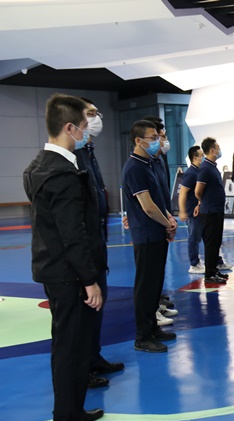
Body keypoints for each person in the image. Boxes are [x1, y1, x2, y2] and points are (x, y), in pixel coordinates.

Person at [24, 93, 113, 421]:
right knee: (70, 350)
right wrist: (89, 280)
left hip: (56, 269)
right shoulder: (62, 173)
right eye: (84, 124)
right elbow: (72, 233)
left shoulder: (39, 164)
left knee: (71, 346)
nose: (87, 130)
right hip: (68, 274)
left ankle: (74, 411)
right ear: (70, 127)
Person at [73, 97, 124, 390]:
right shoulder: (74, 156)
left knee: (97, 308)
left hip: (97, 245)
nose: (96, 118)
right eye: (91, 114)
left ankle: (94, 357)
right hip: (84, 248)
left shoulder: (88, 152)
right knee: (84, 311)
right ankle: (83, 367)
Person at [121, 120, 178, 353]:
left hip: (157, 233)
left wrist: (169, 220)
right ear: (138, 140)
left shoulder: (150, 163)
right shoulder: (134, 167)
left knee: (155, 284)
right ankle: (143, 336)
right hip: (146, 235)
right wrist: (167, 224)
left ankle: (153, 327)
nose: (158, 141)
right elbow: (148, 207)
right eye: (153, 138)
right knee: (145, 287)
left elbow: (159, 200)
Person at [141, 116, 178, 325]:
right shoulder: (142, 165)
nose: (163, 141)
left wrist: (168, 217)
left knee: (158, 269)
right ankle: (150, 312)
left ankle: (158, 302)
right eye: (158, 137)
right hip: (152, 225)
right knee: (149, 273)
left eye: (162, 137)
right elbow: (147, 201)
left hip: (163, 219)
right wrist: (166, 221)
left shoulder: (158, 161)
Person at [195, 137, 230, 284]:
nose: (219, 150)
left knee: (216, 242)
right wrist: (204, 202)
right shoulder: (205, 168)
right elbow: (198, 191)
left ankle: (214, 269)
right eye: (218, 147)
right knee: (210, 243)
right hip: (210, 212)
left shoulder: (212, 167)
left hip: (217, 210)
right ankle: (209, 274)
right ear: (212, 150)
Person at [179, 145, 206, 273]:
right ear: (195, 158)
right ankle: (194, 264)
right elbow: (183, 192)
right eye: (202, 155)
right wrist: (182, 211)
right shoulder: (191, 173)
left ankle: (215, 260)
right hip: (192, 212)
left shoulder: (200, 171)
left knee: (205, 236)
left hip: (201, 210)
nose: (204, 157)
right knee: (194, 238)